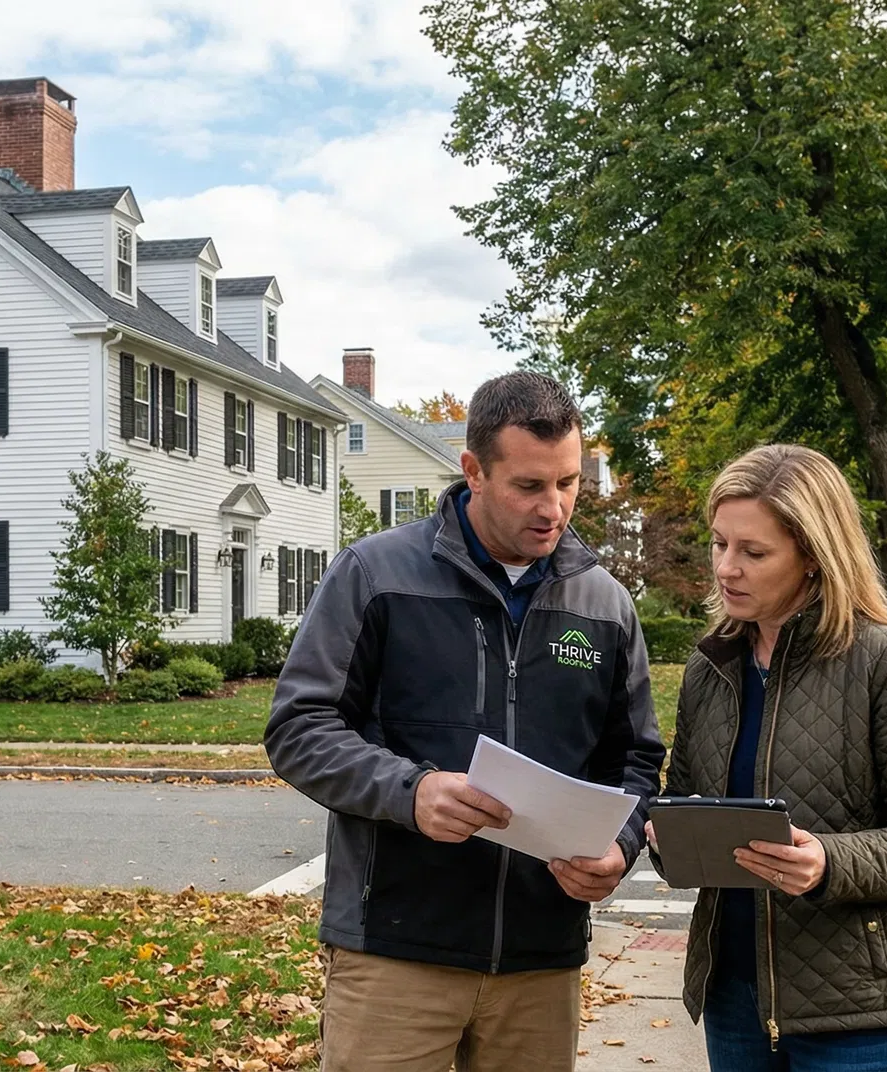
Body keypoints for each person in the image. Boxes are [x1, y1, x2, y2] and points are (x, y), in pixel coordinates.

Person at [266, 371, 665, 1072]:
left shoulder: (605, 604)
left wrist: (620, 846)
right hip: (395, 952)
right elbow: (300, 726)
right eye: (530, 486)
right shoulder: (374, 573)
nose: (556, 509)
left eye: (569, 483)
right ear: (474, 471)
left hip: (541, 961)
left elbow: (632, 760)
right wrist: (409, 792)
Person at [649, 444, 887, 1072]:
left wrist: (829, 862)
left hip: (860, 1010)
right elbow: (683, 801)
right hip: (734, 998)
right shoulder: (710, 667)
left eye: (754, 552)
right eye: (719, 544)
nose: (726, 568)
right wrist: (667, 841)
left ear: (816, 559)